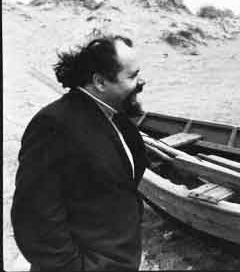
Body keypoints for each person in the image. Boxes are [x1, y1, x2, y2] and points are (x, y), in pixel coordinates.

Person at [12, 35, 149, 271]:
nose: (141, 82)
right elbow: (34, 218)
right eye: (132, 76)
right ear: (100, 82)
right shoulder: (53, 124)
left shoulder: (116, 117)